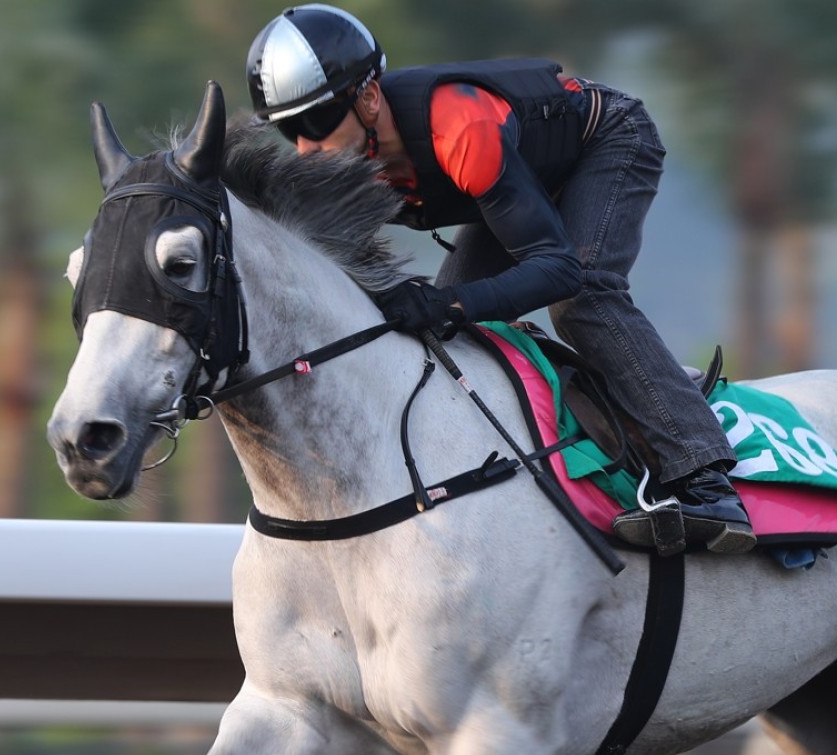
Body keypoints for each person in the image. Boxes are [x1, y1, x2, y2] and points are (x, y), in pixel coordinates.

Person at [245, 4, 754, 554]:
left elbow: (558, 268)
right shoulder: (343, 155)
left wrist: (450, 302)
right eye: (288, 131)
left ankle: (704, 476)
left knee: (583, 296)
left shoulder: (460, 131)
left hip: (606, 140)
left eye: (316, 124)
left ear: (369, 98)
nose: (304, 149)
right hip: (516, 184)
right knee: (441, 335)